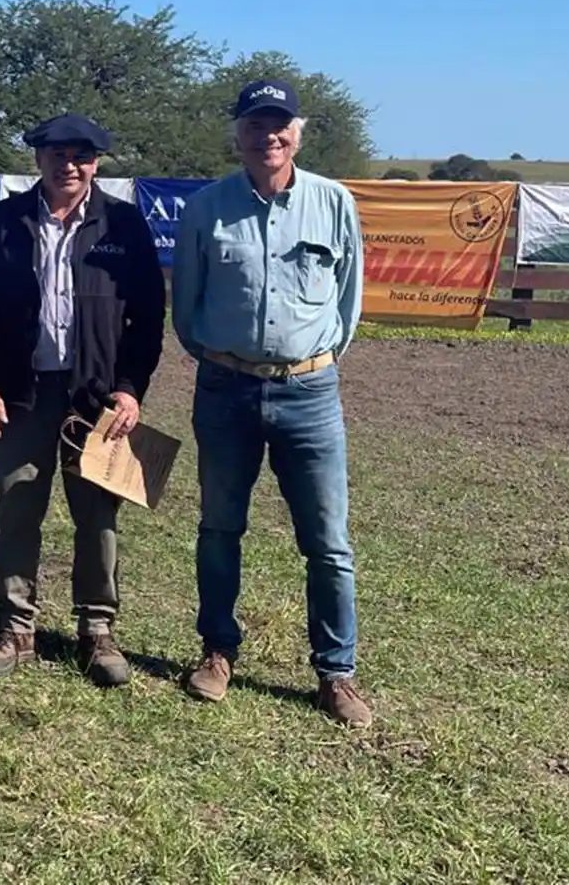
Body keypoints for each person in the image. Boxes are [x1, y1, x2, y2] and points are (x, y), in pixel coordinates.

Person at [170, 78, 369, 727]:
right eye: (256, 124)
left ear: (299, 132)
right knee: (220, 528)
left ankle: (335, 671)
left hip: (310, 392)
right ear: (238, 134)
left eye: (280, 123)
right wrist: (228, 359)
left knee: (328, 542)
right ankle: (217, 652)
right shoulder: (206, 208)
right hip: (225, 389)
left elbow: (348, 303)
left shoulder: (334, 202)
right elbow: (187, 308)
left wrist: (309, 360)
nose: (269, 135)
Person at [0, 114, 166, 687]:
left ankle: (97, 630)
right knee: (18, 509)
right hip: (22, 394)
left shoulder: (123, 224)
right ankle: (16, 625)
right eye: (57, 154)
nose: (68, 165)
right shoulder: (4, 222)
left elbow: (147, 317)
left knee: (98, 517)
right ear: (38, 159)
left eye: (81, 155)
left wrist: (130, 387)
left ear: (97, 163)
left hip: (96, 397)